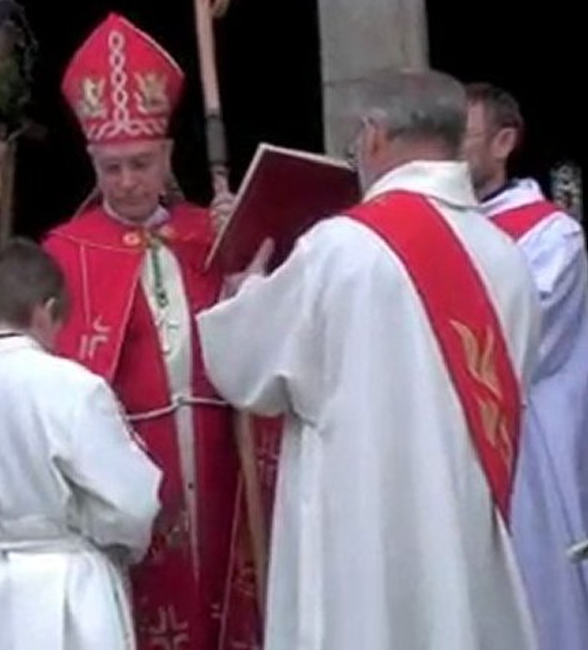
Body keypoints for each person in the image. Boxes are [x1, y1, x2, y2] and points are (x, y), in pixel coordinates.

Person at [197, 70, 541, 649]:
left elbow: (247, 367)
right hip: (460, 520)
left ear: (376, 135)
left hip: (361, 525)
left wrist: (244, 291)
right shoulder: (505, 258)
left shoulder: (342, 249)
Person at [41, 12, 272, 648]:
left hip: (221, 442)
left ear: (168, 155)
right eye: (111, 168)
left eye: (140, 164)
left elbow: (259, 327)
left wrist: (244, 246)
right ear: (92, 162)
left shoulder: (210, 231)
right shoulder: (67, 250)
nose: (127, 181)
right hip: (131, 456)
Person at [0, 237, 161, 650]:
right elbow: (130, 505)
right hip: (65, 586)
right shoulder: (72, 388)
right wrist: (99, 537)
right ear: (46, 311)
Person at [464, 82, 588, 650]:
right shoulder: (439, 224)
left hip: (529, 450)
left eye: (460, 137)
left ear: (503, 141)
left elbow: (522, 340)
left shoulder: (551, 234)